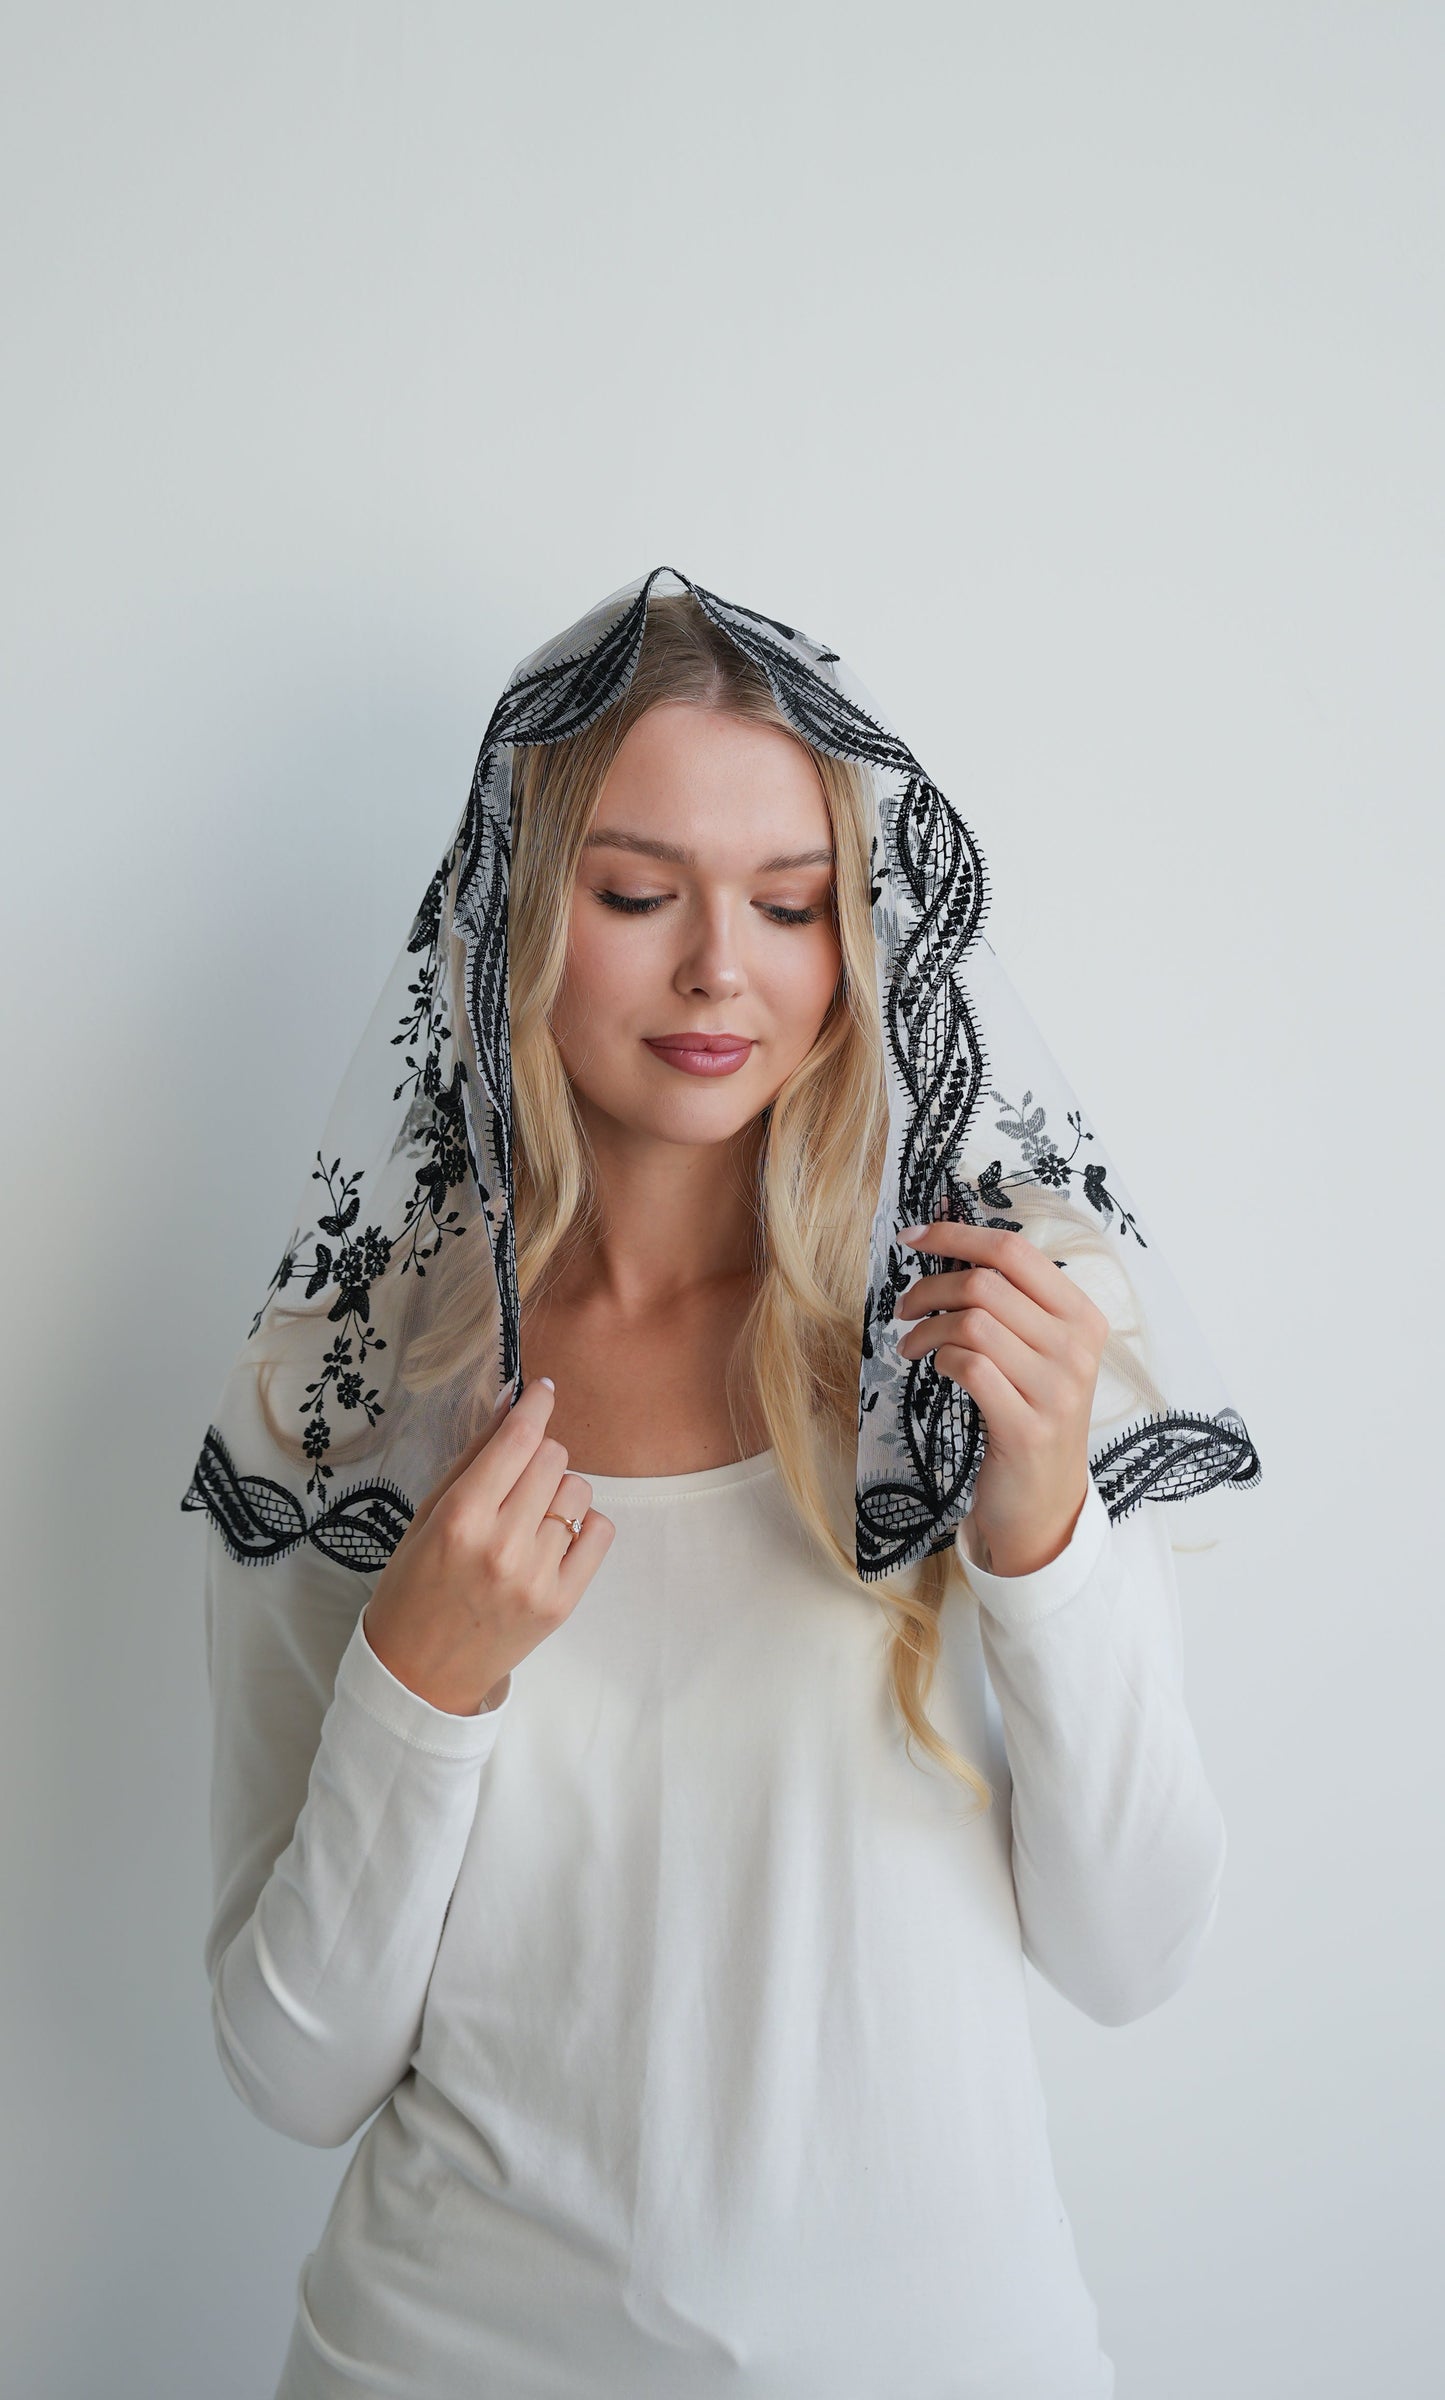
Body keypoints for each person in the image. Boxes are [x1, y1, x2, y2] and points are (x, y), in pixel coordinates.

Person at [193, 575, 1248, 2398]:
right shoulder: (344, 1397)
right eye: (632, 894)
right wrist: (419, 1678)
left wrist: (1038, 1538)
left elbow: (1131, 1949)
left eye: (788, 902)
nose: (718, 971)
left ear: (863, 933)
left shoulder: (991, 1338)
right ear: (517, 917)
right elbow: (293, 2073)